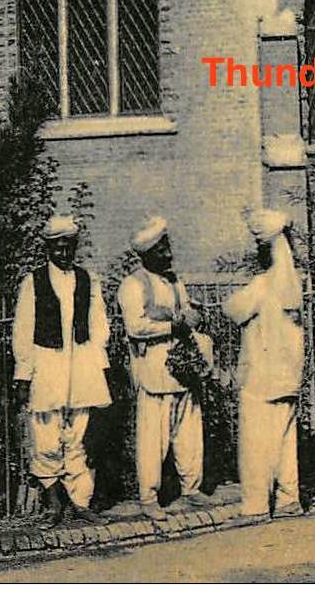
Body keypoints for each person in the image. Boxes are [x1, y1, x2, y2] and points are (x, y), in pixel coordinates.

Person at [11, 216, 111, 526]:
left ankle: (80, 500)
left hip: (81, 362)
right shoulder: (34, 281)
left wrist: (101, 367)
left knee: (78, 432)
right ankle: (53, 502)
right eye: (57, 248)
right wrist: (23, 374)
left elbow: (98, 325)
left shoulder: (87, 280)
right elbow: (23, 329)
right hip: (47, 363)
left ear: (75, 248)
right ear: (48, 249)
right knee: (46, 433)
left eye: (68, 248)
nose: (63, 254)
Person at [116, 217, 213, 520]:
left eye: (167, 247)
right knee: (152, 438)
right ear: (146, 254)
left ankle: (191, 488)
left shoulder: (174, 281)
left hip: (183, 368)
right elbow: (135, 327)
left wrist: (192, 315)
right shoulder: (132, 285)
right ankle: (149, 497)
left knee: (188, 431)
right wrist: (173, 324)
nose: (168, 254)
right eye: (161, 249)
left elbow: (184, 312)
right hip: (155, 369)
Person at [224, 208, 306, 519]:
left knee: (256, 442)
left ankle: (256, 506)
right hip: (288, 376)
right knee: (285, 442)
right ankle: (289, 499)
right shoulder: (292, 283)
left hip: (261, 377)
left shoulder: (263, 284)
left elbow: (232, 310)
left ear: (266, 249)